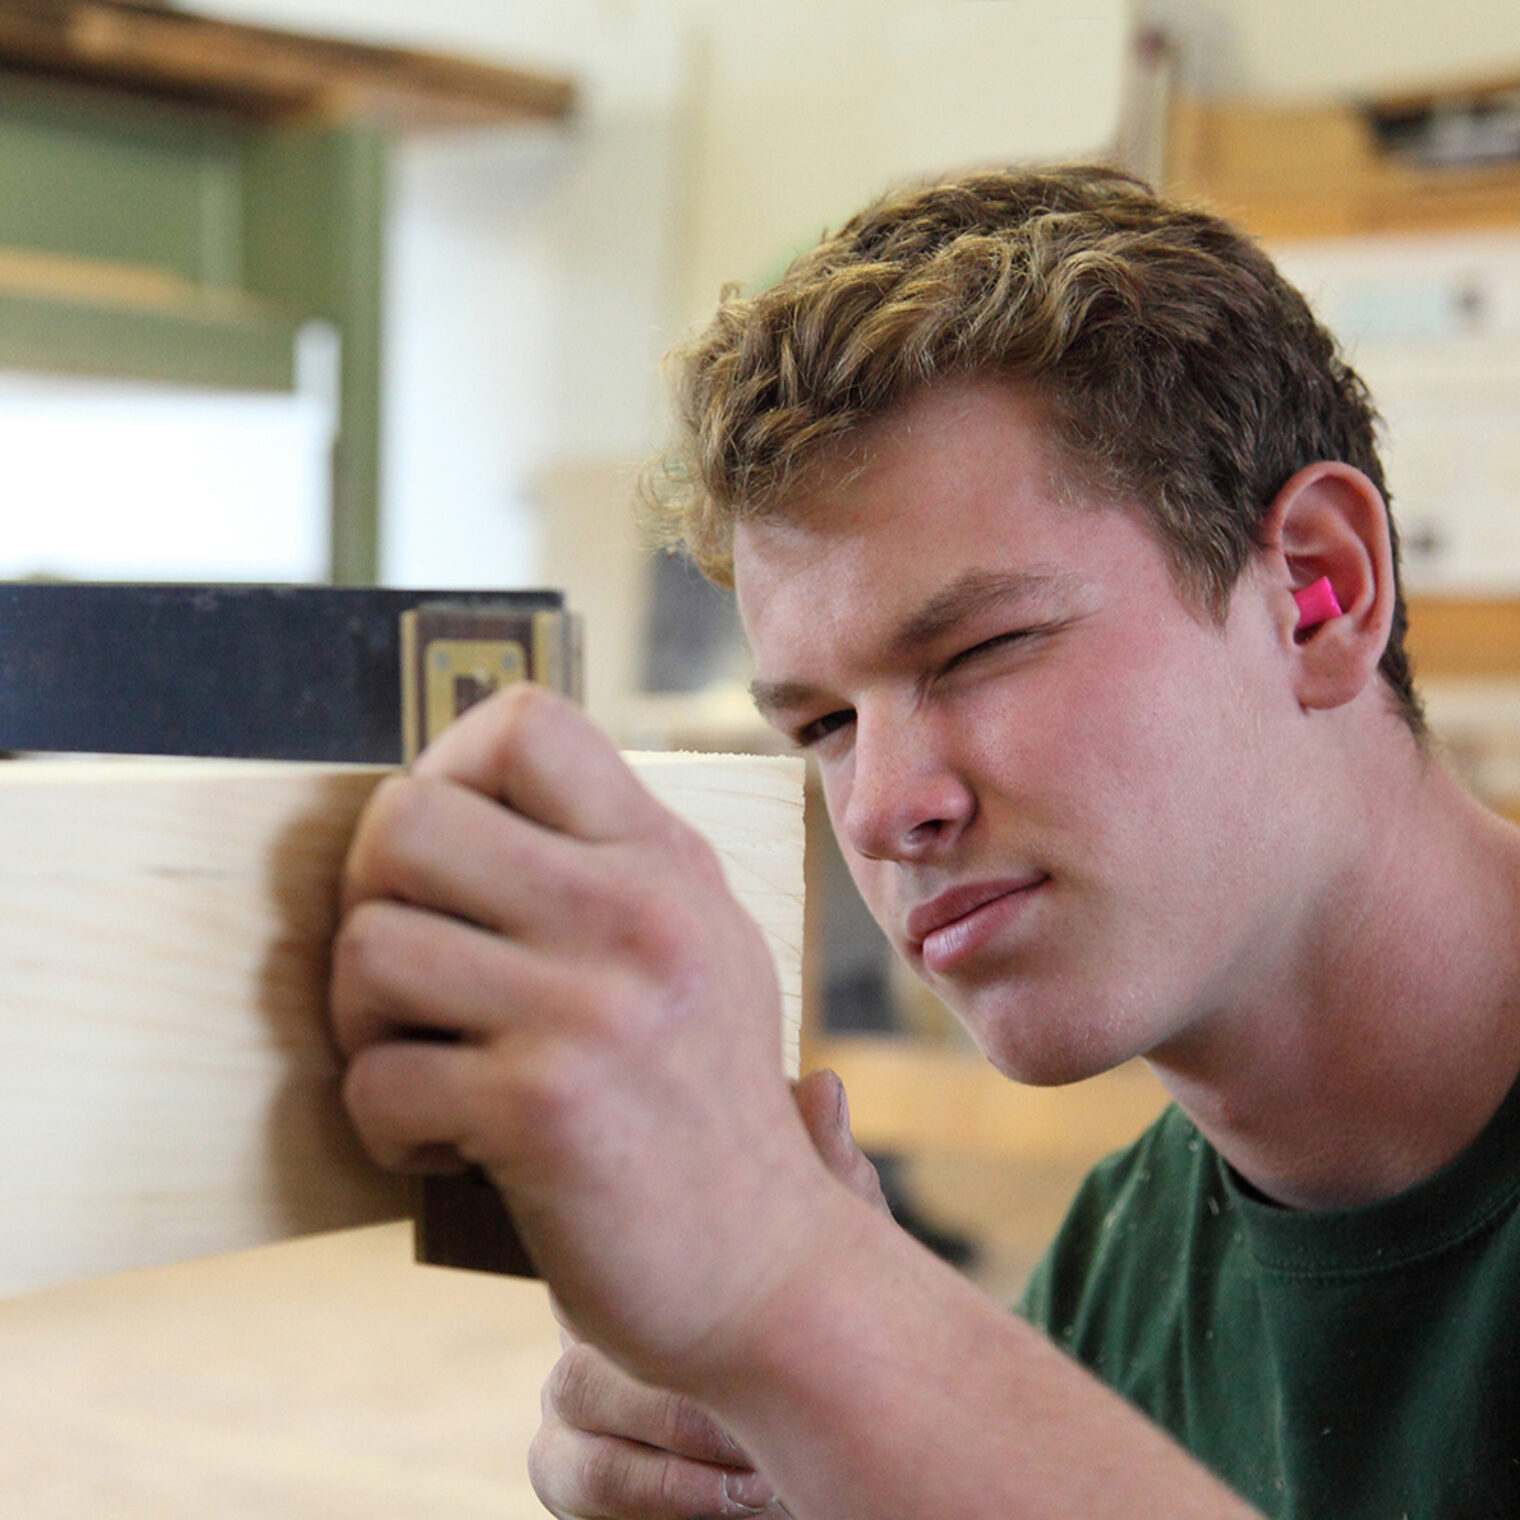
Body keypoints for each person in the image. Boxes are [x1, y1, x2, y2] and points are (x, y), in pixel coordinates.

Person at [328, 165, 1520, 1519]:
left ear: (1319, 594)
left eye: (984, 648)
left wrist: (805, 1307)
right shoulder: (1121, 1275)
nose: (884, 806)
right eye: (825, 723)